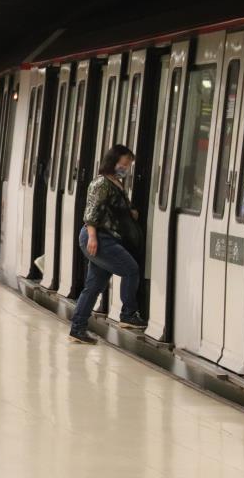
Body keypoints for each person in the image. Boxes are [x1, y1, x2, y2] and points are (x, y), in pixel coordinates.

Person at [68, 144, 147, 344]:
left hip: (107, 238)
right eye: (124, 162)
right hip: (98, 238)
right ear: (114, 161)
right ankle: (128, 314)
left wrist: (131, 213)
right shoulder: (101, 183)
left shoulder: (116, 183)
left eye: (129, 164)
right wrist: (93, 237)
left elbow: (115, 210)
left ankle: (77, 328)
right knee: (130, 269)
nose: (126, 167)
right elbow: (91, 212)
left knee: (94, 286)